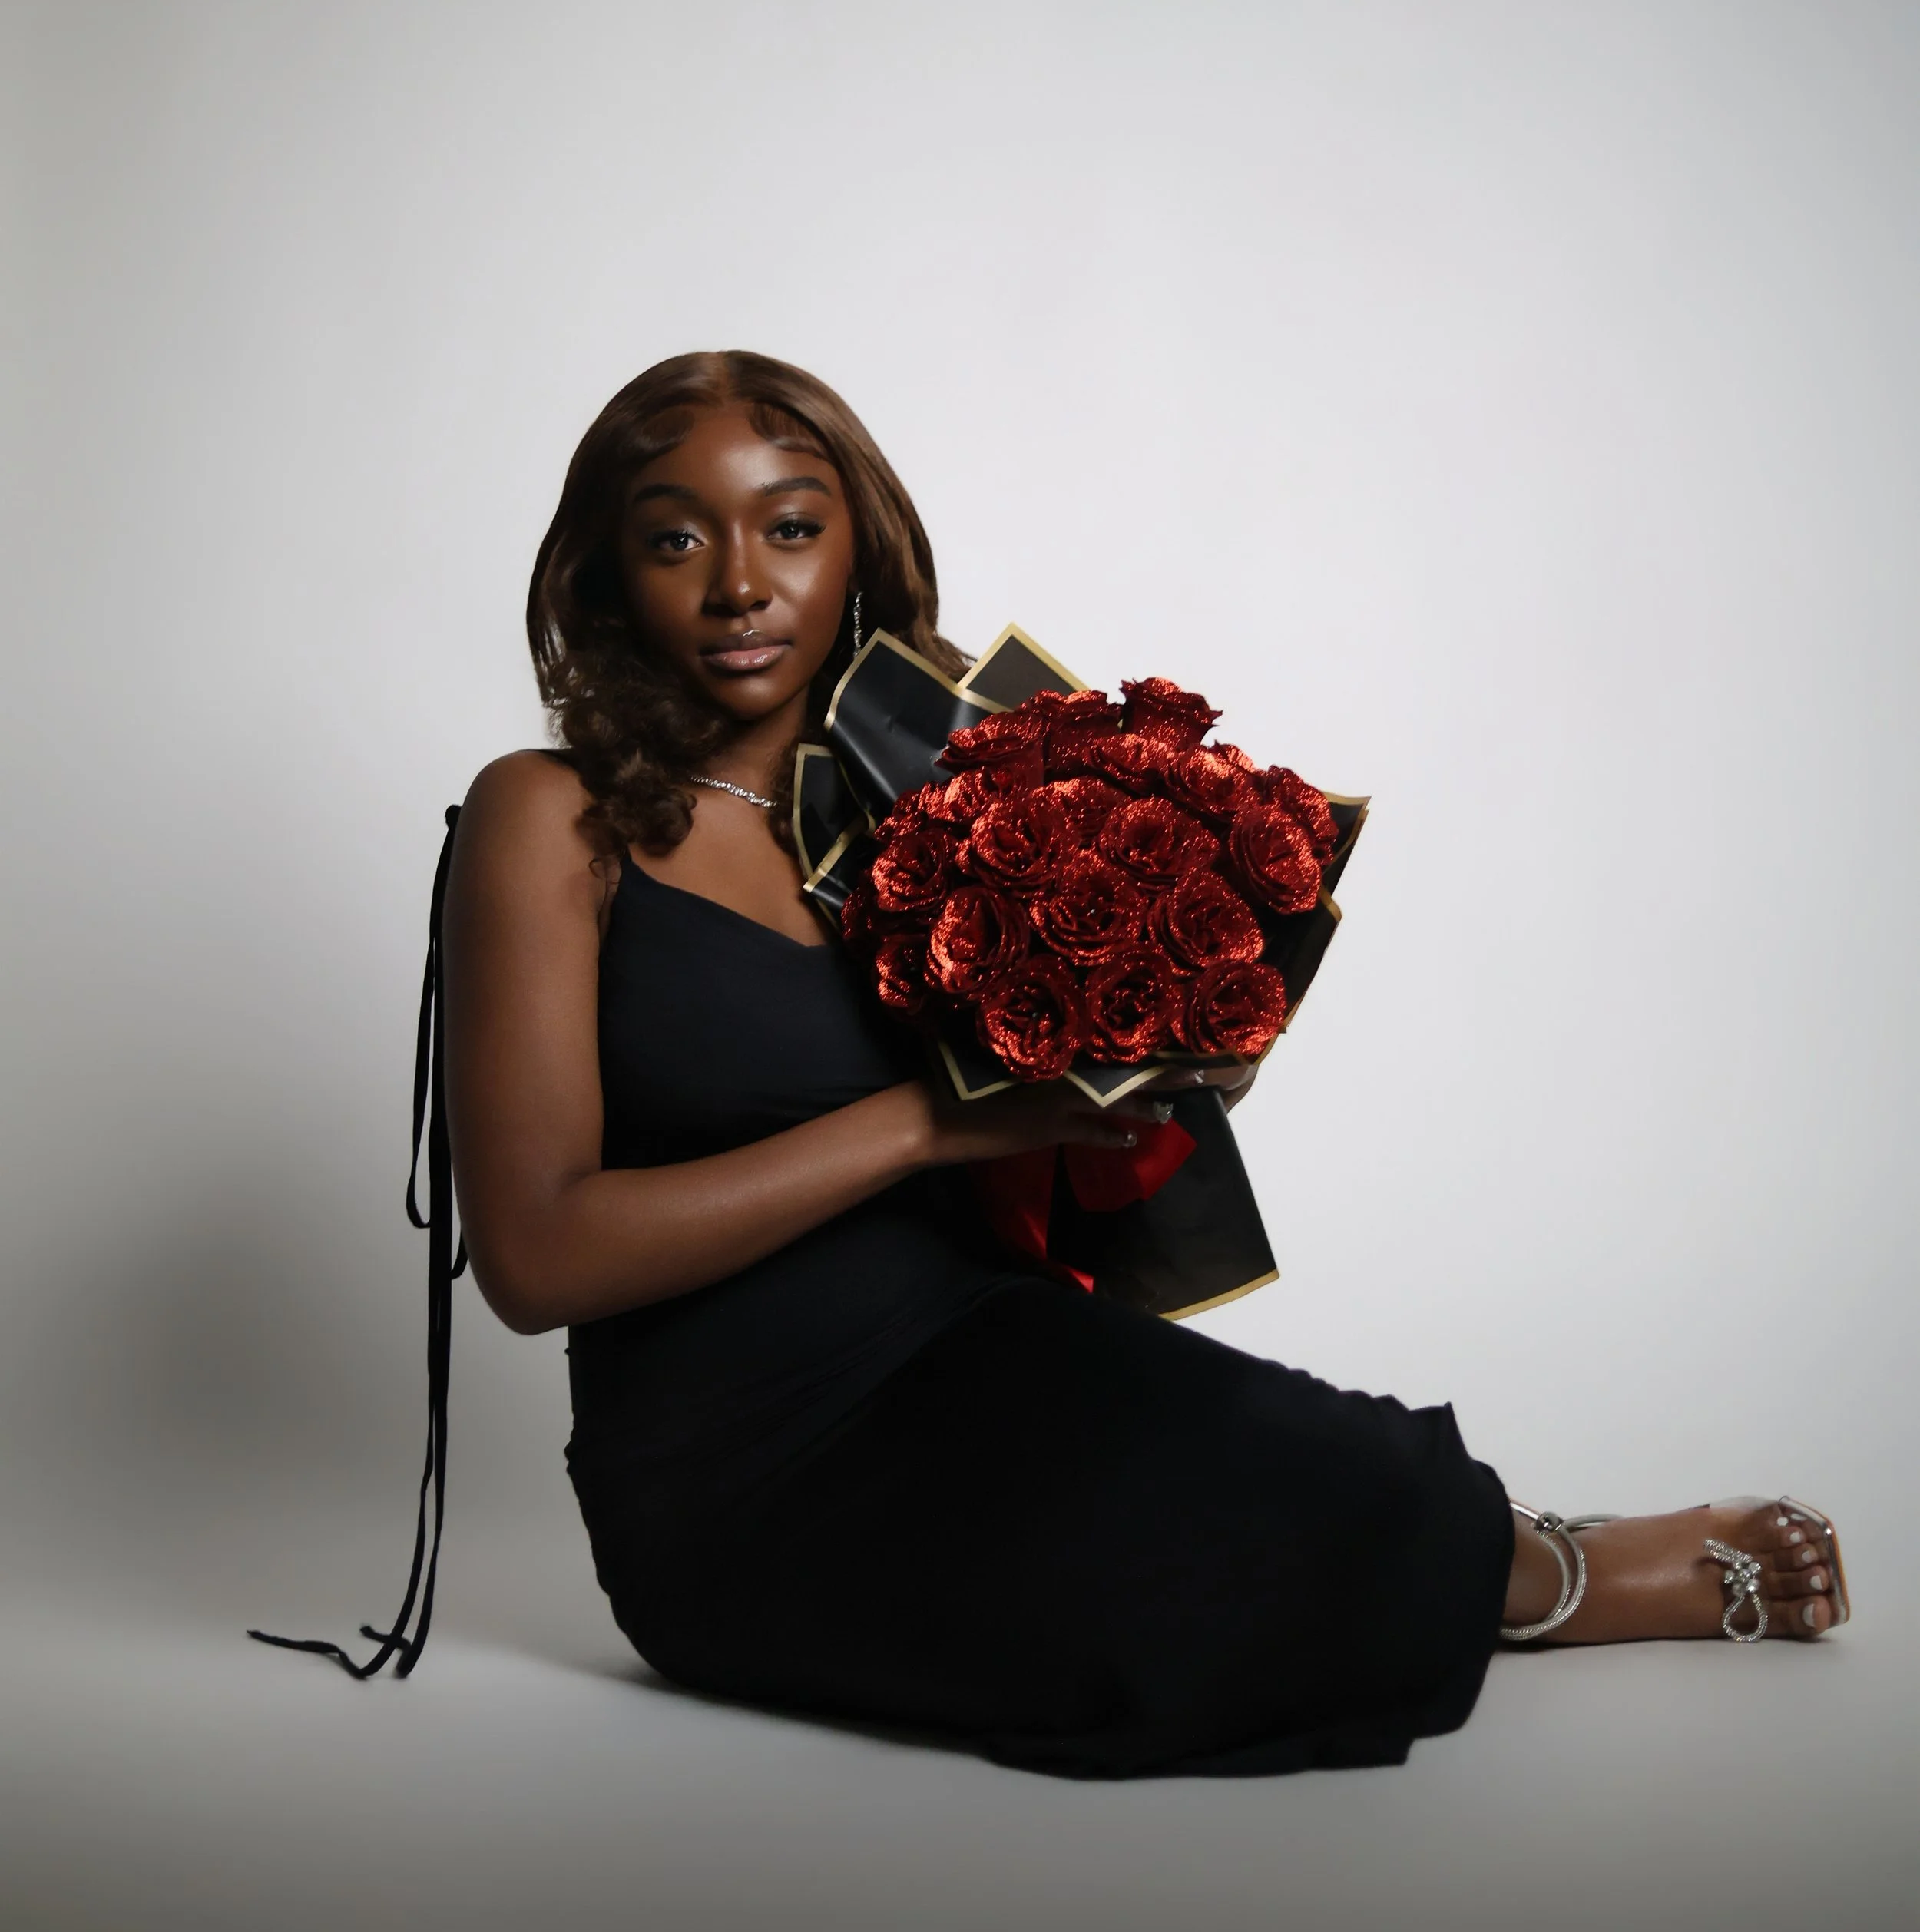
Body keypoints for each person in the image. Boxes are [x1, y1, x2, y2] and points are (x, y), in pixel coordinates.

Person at [441, 349, 1847, 1778]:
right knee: (1172, 1593)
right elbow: (538, 1257)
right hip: (727, 1477)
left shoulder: (931, 791)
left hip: (978, 1351)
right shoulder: (551, 819)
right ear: (609, 572)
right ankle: (1530, 1575)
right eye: (677, 538)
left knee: (1310, 1462)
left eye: (792, 526)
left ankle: (1531, 1556)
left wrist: (1169, 1045)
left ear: (859, 542)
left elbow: (1070, 1124)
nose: (741, 582)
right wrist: (930, 1126)